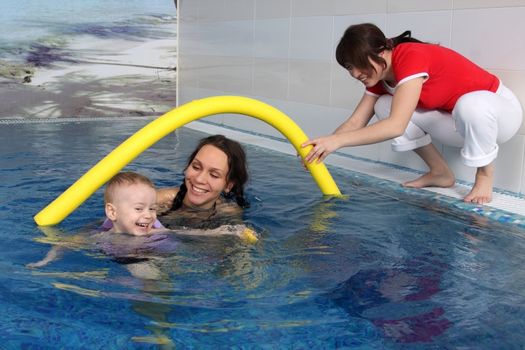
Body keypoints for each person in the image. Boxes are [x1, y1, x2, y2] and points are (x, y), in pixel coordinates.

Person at [302, 23, 522, 204]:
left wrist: (338, 142)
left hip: (500, 116)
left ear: (382, 52)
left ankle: (484, 174)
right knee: (384, 106)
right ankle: (440, 172)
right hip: (460, 123)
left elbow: (396, 126)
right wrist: (323, 147)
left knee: (470, 104)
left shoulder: (410, 56)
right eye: (350, 67)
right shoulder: (380, 77)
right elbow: (356, 121)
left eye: (359, 65)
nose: (356, 73)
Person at [156, 134, 250, 228]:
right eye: (196, 167)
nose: (199, 179)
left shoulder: (228, 213)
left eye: (214, 175)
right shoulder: (160, 200)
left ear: (228, 186)